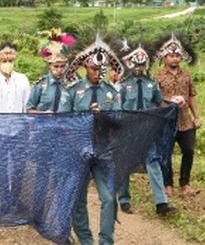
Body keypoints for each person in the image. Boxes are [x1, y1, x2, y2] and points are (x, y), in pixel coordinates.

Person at [64, 34, 123, 245]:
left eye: (102, 69)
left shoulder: (111, 93)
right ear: (85, 68)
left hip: (103, 152)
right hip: (78, 152)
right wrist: (83, 118)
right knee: (78, 200)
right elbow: (63, 122)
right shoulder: (73, 91)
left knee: (108, 198)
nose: (99, 73)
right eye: (94, 69)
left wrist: (104, 116)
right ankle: (86, 240)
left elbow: (119, 120)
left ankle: (106, 241)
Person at [117, 42, 178, 216]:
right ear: (130, 64)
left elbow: (160, 104)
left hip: (146, 130)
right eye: (136, 64)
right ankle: (124, 200)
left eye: (142, 65)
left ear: (146, 65)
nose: (139, 68)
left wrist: (173, 105)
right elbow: (117, 109)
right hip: (128, 131)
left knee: (153, 163)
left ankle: (161, 204)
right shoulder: (122, 86)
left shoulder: (151, 85)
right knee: (124, 165)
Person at [154, 33, 200, 196]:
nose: (174, 59)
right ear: (164, 57)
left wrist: (197, 116)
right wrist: (169, 100)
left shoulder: (186, 75)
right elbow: (154, 99)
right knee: (166, 152)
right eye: (171, 56)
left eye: (177, 56)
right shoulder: (157, 76)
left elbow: (192, 95)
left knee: (188, 150)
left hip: (185, 120)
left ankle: (185, 183)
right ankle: (167, 184)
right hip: (166, 121)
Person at [27, 29, 75, 113]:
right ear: (49, 66)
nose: (59, 70)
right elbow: (29, 109)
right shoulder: (40, 85)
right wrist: (43, 114)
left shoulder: (72, 84)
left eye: (62, 66)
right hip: (45, 124)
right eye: (56, 66)